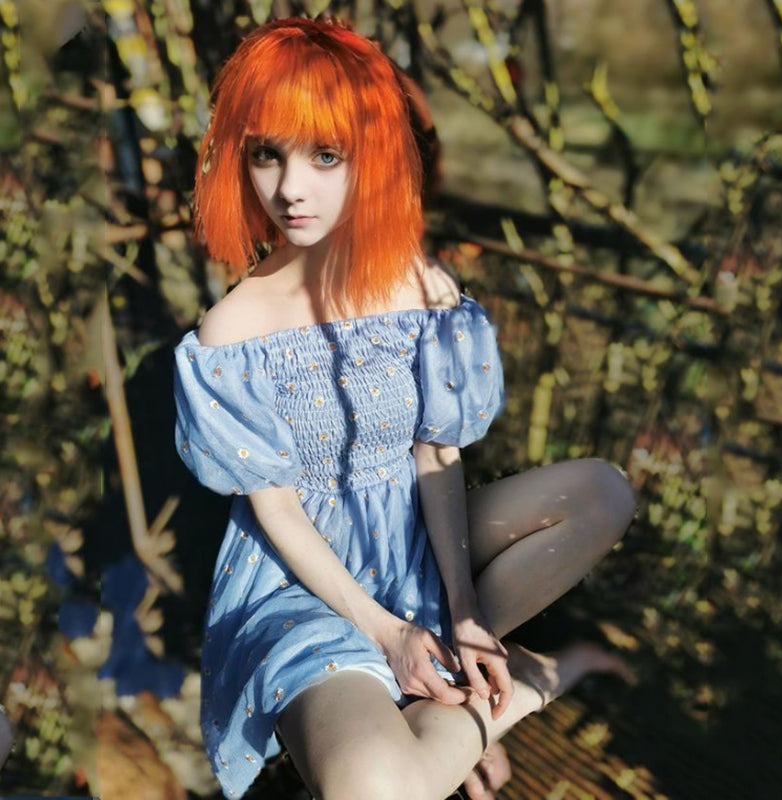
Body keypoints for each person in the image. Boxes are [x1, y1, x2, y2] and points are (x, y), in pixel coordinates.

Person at [174, 17, 636, 800]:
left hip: (413, 542)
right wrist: (387, 632)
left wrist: (465, 611)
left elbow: (435, 455)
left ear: (372, 154)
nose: (290, 188)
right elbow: (276, 511)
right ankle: (513, 691)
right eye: (267, 154)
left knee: (602, 491)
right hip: (300, 586)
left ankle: (460, 662)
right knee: (377, 789)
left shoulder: (422, 291)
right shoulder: (231, 333)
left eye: (325, 155)